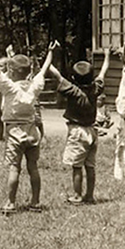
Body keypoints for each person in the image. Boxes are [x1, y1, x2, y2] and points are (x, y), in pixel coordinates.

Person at [0, 41, 55, 215]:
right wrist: (50, 52)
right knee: (33, 167)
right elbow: (44, 69)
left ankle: (10, 203)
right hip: (32, 132)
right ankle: (35, 202)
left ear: (11, 71)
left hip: (14, 133)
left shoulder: (10, 88)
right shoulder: (35, 87)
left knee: (14, 168)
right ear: (28, 72)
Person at [48, 47, 110, 205]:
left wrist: (50, 55)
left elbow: (56, 74)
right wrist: (107, 55)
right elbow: (103, 73)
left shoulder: (72, 90)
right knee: (90, 166)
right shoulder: (96, 88)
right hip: (93, 131)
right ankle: (89, 196)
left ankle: (77, 195)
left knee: (77, 166)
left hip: (77, 131)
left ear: (74, 78)